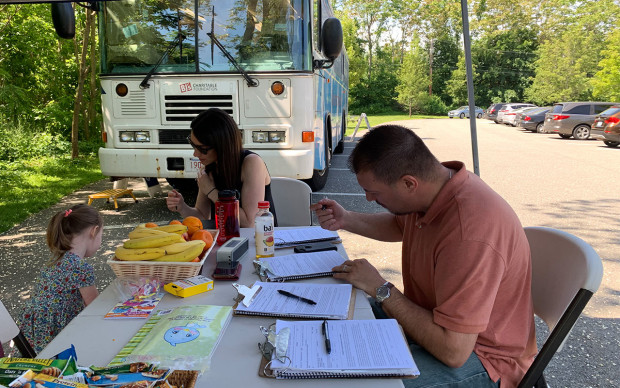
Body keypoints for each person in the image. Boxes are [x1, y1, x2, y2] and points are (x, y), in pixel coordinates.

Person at [311, 125, 537, 388]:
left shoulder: (470, 231)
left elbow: (453, 352)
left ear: (409, 183)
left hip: (484, 358)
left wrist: (381, 288)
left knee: (355, 380)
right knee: (335, 315)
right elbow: (398, 226)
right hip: (433, 325)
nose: (369, 199)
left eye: (375, 192)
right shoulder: (433, 191)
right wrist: (346, 219)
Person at [166, 108, 277, 227]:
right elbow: (202, 216)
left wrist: (211, 191)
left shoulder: (251, 163)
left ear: (222, 146)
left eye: (203, 149)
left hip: (262, 240)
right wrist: (182, 207)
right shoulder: (209, 167)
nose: (195, 154)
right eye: (193, 145)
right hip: (226, 238)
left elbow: (249, 223)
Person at [20, 204, 103, 353]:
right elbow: (96, 307)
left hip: (37, 331)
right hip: (58, 333)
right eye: (101, 236)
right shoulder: (80, 268)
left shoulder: (55, 259)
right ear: (94, 231)